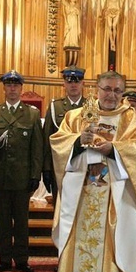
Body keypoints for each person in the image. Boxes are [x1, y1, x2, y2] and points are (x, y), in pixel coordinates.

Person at [50, 70, 136, 272]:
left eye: (118, 91)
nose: (112, 95)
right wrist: (77, 142)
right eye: (107, 89)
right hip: (82, 197)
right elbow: (58, 143)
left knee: (117, 247)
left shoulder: (134, 120)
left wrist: (114, 149)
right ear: (97, 88)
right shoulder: (76, 116)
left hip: (118, 200)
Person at [0, 70, 43, 272]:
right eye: (8, 85)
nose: (12, 89)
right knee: (2, 221)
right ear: (4, 88)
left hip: (22, 176)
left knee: (21, 221)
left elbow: (36, 148)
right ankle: (3, 259)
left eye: (15, 86)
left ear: (21, 88)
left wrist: (35, 175)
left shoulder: (32, 114)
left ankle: (21, 259)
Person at [42, 66, 86, 197]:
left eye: (77, 81)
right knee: (60, 208)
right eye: (69, 81)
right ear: (64, 84)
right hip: (60, 165)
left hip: (84, 165)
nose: (73, 85)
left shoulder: (91, 106)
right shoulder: (56, 106)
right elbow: (47, 139)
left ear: (83, 83)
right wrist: (47, 169)